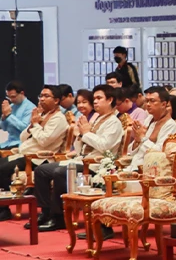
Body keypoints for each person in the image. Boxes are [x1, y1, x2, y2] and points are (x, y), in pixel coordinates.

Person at [32, 85, 125, 231]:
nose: (95, 102)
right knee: (42, 170)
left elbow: (104, 146)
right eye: (94, 98)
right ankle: (46, 212)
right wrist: (79, 135)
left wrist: (86, 133)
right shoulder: (96, 118)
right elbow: (80, 147)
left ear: (110, 100)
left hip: (96, 165)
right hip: (81, 159)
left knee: (60, 172)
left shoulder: (114, 122)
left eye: (99, 98)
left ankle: (58, 217)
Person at [0, 86, 69, 219]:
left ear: (56, 100)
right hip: (23, 154)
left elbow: (44, 141)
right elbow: (22, 137)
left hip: (39, 159)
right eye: (41, 96)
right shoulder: (41, 115)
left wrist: (36, 125)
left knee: (2, 169)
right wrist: (32, 125)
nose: (42, 99)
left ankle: (5, 208)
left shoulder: (58, 118)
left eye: (46, 96)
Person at [125, 86, 176, 170]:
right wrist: (137, 140)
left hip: (150, 170)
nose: (148, 104)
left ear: (164, 104)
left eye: (152, 101)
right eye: (147, 101)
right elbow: (131, 151)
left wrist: (142, 138)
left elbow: (160, 153)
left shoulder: (170, 125)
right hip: (135, 164)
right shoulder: (149, 119)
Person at [1, 81, 33, 152]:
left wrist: (9, 115)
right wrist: (4, 117)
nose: (11, 100)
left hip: (20, 144)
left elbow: (25, 129)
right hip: (8, 142)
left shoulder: (30, 108)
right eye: (8, 97)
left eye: (13, 97)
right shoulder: (11, 106)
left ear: (22, 93)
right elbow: (4, 128)